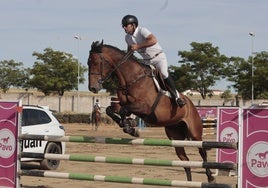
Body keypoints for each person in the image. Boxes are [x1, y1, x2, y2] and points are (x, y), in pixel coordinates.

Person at [121, 15, 185, 107]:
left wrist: (138, 46)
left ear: (133, 25)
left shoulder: (142, 30)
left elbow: (153, 40)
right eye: (123, 26)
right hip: (146, 61)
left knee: (163, 73)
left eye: (126, 25)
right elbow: (130, 51)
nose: (124, 28)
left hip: (158, 57)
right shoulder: (127, 38)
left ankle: (177, 97)